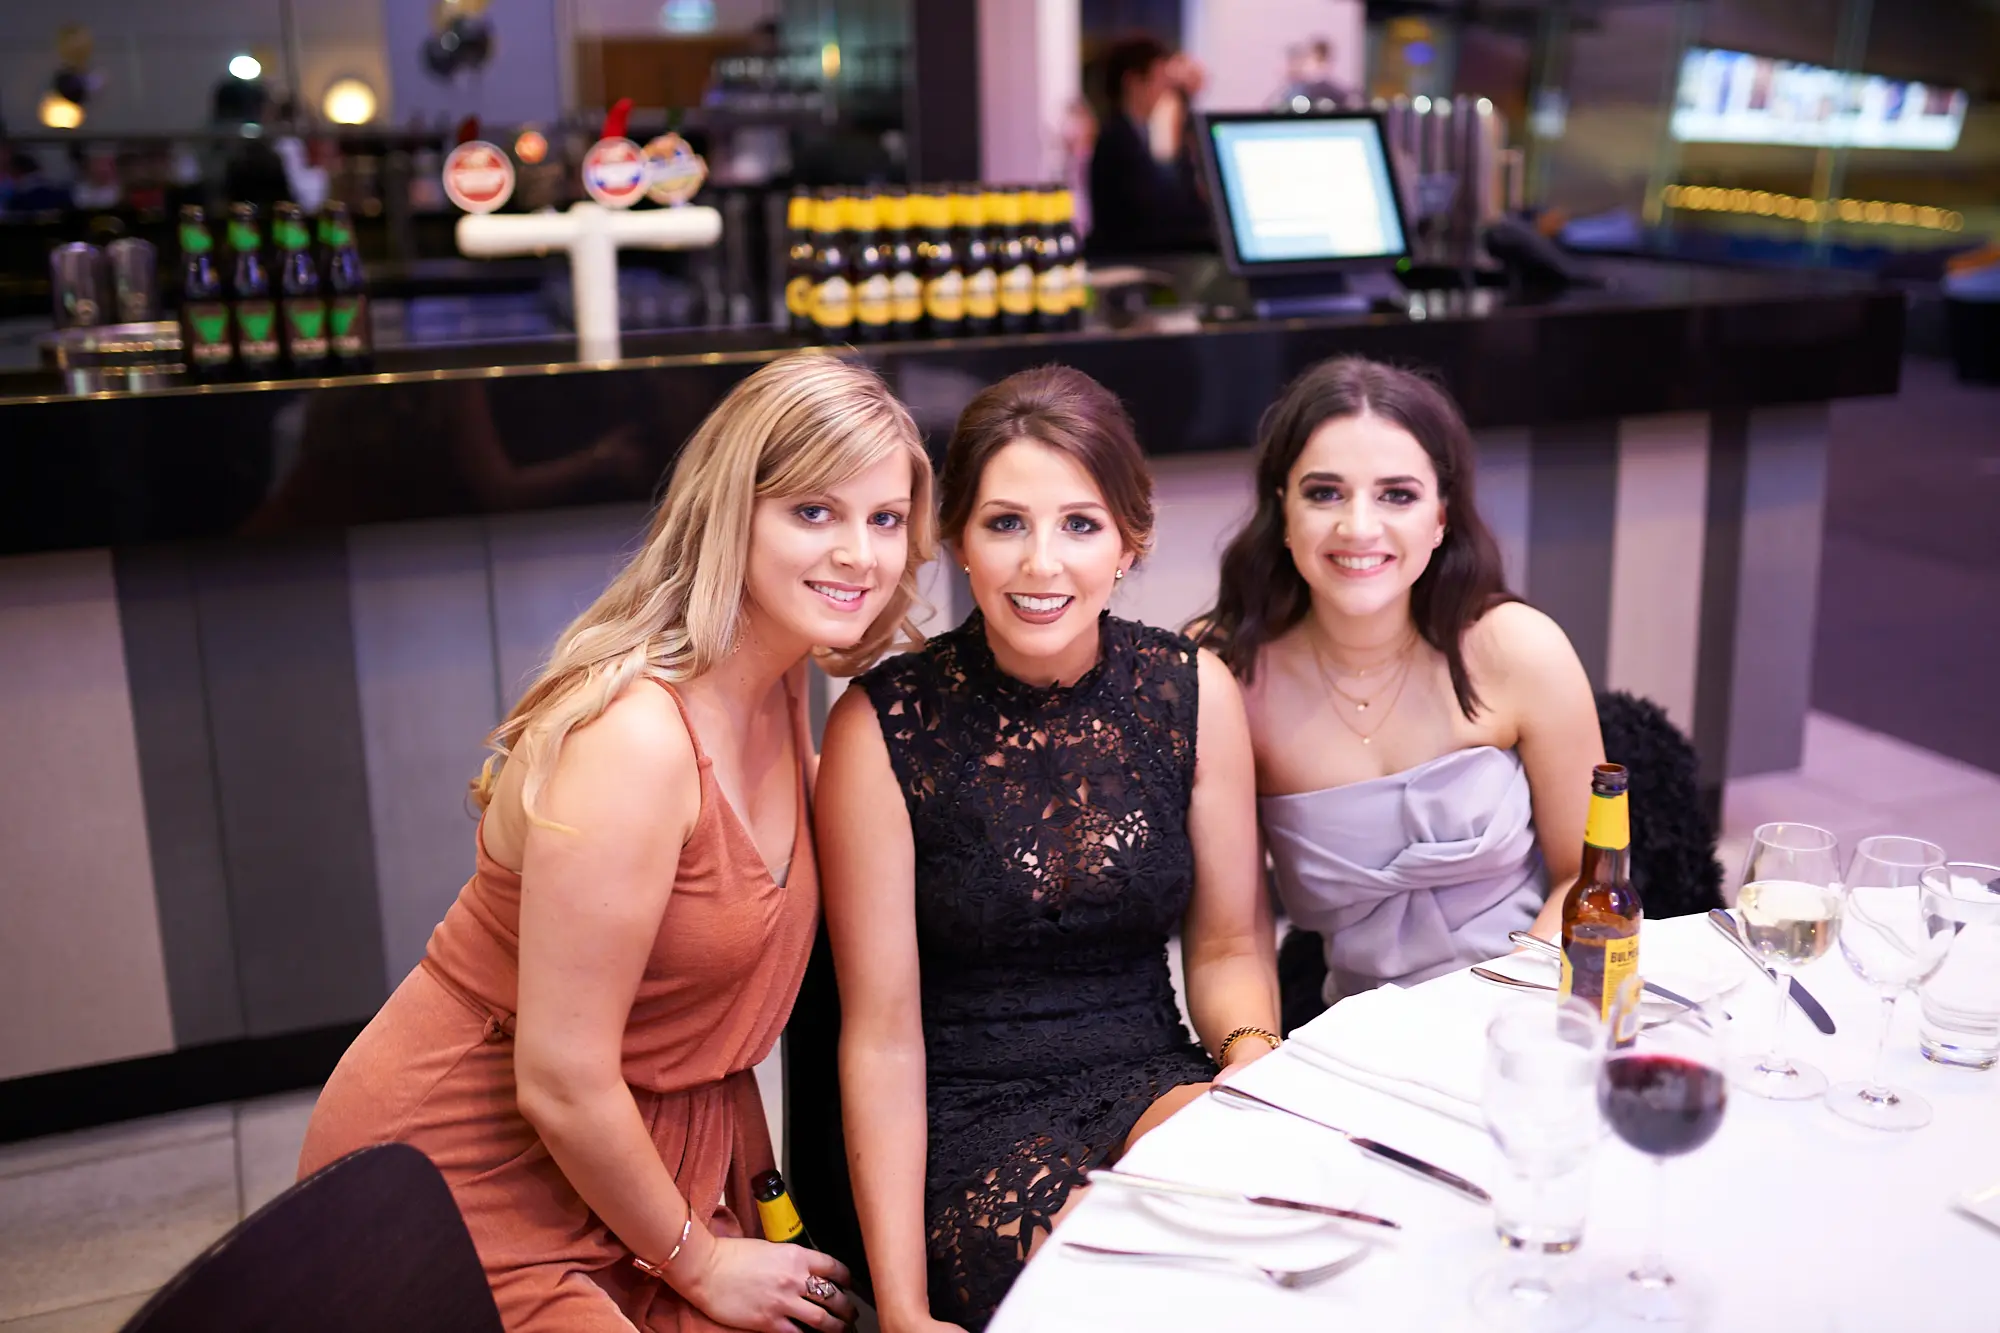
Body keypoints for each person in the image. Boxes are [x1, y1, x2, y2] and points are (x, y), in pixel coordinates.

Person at [298, 352, 936, 1333]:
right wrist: (702, 1259)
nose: (858, 553)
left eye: (884, 518)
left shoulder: (783, 681)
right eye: (813, 511)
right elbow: (559, 1076)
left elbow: (711, 1035)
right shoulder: (634, 737)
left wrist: (761, 1199)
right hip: (465, 1182)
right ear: (733, 512)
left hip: (639, 1172)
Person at [821, 366, 1280, 1332]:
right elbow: (880, 1035)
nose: (1041, 564)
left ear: (1129, 543)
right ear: (956, 541)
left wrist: (1248, 1069)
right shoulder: (883, 724)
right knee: (1114, 1296)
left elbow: (1231, 948)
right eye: (1005, 523)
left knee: (1264, 1252)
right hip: (967, 1118)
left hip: (1149, 1074)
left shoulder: (1192, 691)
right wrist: (901, 1309)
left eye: (1079, 524)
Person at [1193, 356, 1603, 1006]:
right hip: (1355, 1034)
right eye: (1325, 492)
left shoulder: (1518, 648)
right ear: (1284, 510)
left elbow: (1587, 881)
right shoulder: (1225, 678)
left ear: (1440, 516)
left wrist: (1506, 1013)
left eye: (1397, 494)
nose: (1359, 526)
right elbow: (1231, 940)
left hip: (1536, 1007)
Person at [1085, 37, 1213, 258]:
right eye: (1158, 79)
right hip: (1128, 257)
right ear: (1133, 82)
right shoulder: (1116, 139)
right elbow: (1145, 213)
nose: (1164, 90)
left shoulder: (1148, 134)